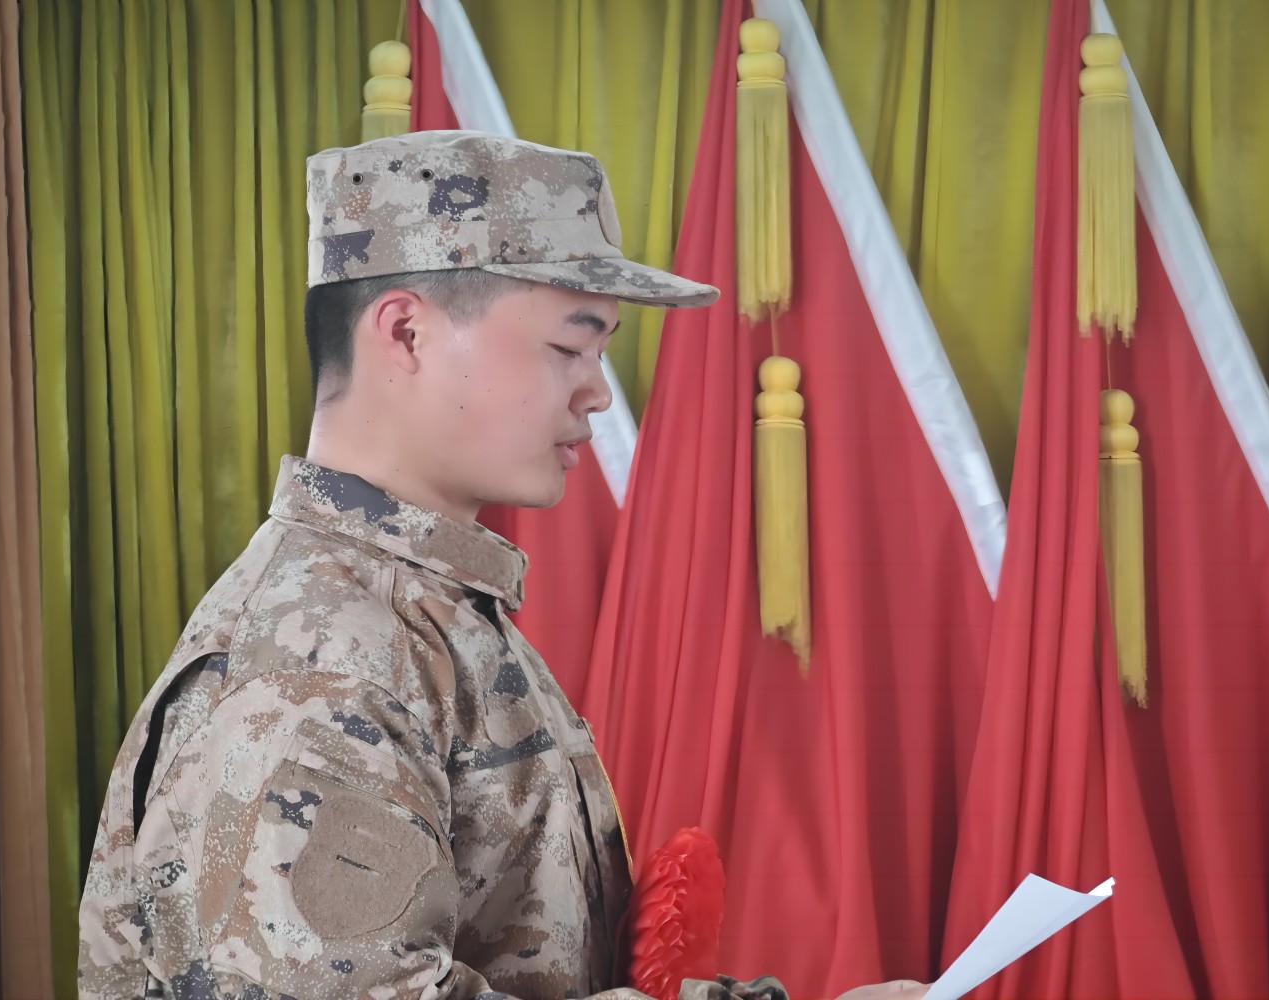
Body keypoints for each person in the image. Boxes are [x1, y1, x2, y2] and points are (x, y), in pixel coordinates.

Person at [76, 131, 927, 1000]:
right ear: (406, 331)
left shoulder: (418, 610)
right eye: (568, 347)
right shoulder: (324, 656)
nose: (598, 391)